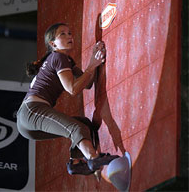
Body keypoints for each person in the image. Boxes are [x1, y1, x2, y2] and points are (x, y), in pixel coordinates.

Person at [17, 22, 119, 175]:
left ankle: (76, 163)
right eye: (62, 34)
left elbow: (87, 83)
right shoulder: (58, 57)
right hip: (31, 112)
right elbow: (72, 89)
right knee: (77, 129)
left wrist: (93, 59)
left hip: (28, 123)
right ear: (53, 43)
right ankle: (93, 158)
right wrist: (92, 65)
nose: (69, 36)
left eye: (69, 33)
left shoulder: (66, 60)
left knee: (83, 124)